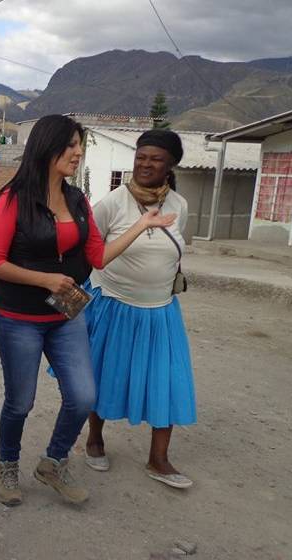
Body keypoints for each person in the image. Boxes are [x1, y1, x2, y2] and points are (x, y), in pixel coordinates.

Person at [0, 115, 175, 507]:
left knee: (84, 396)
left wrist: (142, 225)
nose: (78, 152)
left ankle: (53, 462)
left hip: (66, 313)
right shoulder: (13, 199)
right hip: (18, 318)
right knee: (21, 401)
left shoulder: (77, 199)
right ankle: (7, 464)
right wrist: (46, 280)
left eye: (80, 145)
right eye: (71, 145)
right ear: (47, 147)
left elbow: (98, 257)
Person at [82, 129, 197, 488]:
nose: (146, 164)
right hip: (114, 306)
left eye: (156, 159)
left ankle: (158, 460)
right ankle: (94, 440)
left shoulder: (179, 205)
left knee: (168, 381)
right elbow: (91, 253)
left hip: (161, 311)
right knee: (104, 375)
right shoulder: (112, 203)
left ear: (171, 165)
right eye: (141, 157)